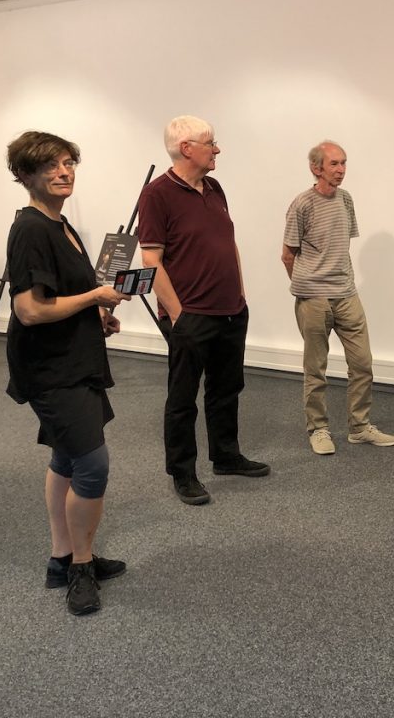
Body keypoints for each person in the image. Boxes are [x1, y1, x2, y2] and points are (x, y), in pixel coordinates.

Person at [4, 131, 132, 615]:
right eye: (50, 166)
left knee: (66, 457)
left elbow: (61, 295)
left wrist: (95, 315)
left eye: (68, 163)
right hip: (50, 368)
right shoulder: (32, 230)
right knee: (92, 465)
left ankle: (61, 559)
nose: (63, 172)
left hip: (76, 357)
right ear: (25, 175)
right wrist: (95, 296)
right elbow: (30, 309)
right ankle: (81, 565)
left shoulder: (61, 224)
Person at [138, 116, 270, 506]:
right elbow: (151, 260)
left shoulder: (214, 188)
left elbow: (229, 242)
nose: (217, 149)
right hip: (192, 315)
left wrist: (240, 293)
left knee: (227, 388)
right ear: (186, 149)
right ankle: (183, 472)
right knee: (182, 398)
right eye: (211, 143)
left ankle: (226, 456)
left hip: (231, 310)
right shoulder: (157, 194)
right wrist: (178, 314)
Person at [281, 141, 394, 455]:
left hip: (347, 294)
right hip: (314, 298)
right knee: (316, 369)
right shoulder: (302, 204)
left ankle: (359, 427)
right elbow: (287, 255)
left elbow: (340, 244)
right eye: (334, 163)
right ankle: (318, 429)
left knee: (363, 364)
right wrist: (307, 286)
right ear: (316, 168)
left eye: (344, 163)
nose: (341, 169)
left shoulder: (346, 199)